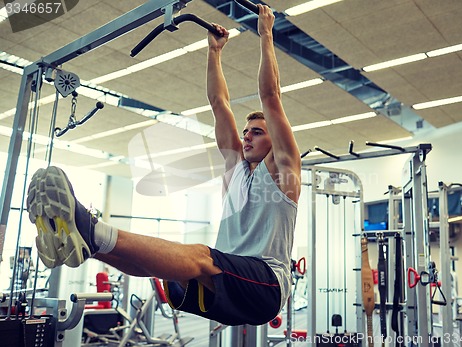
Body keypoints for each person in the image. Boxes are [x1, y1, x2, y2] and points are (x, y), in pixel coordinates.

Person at [27, 4, 301, 326]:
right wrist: (214, 52)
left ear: (274, 141)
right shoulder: (236, 172)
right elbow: (219, 104)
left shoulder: (284, 173)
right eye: (245, 132)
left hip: (265, 287)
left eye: (257, 132)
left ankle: (92, 229)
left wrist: (265, 33)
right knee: (164, 265)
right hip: (226, 286)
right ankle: (89, 243)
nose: (247, 137)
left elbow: (270, 96)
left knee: (200, 255)